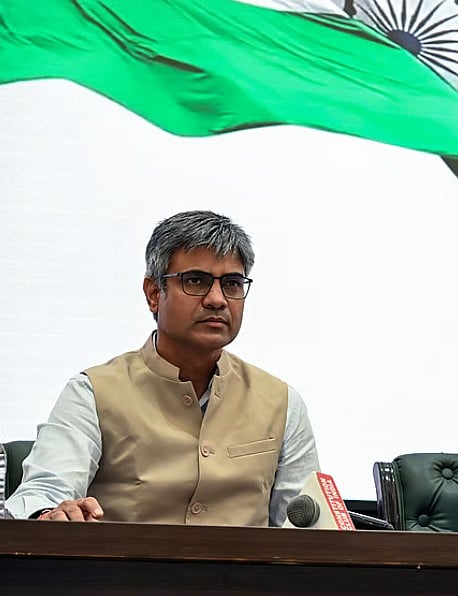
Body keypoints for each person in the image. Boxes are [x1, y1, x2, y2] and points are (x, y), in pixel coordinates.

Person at [5, 211, 319, 526]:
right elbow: (47, 491)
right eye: (196, 281)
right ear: (154, 294)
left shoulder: (282, 403)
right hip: (125, 574)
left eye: (232, 284)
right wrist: (49, 513)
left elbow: (308, 528)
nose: (217, 299)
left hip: (242, 576)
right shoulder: (93, 393)